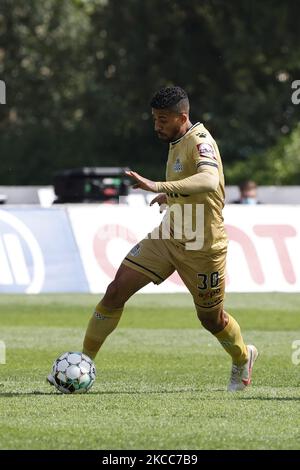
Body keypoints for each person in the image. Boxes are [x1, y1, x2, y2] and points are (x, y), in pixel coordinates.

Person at [48, 86, 258, 391]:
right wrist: (170, 195)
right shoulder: (176, 140)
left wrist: (157, 184)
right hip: (168, 236)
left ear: (182, 117)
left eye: (162, 119)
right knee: (116, 291)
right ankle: (84, 362)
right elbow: (191, 185)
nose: (156, 125)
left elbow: (210, 180)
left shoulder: (200, 141)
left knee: (211, 320)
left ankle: (243, 357)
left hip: (203, 246)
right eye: (154, 119)